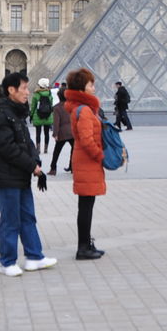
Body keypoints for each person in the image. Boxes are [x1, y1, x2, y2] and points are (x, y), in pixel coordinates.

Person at [0, 71, 56, 277]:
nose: (28, 92)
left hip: (20, 174)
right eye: (25, 88)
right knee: (10, 220)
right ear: (11, 90)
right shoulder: (0, 115)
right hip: (7, 176)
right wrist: (31, 166)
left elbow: (27, 142)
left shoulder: (17, 112)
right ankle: (6, 262)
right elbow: (7, 149)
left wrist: (35, 160)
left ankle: (34, 257)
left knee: (28, 217)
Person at [65, 68, 107, 260]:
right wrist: (101, 156)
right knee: (86, 206)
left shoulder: (81, 109)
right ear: (82, 88)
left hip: (85, 162)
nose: (94, 87)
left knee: (86, 205)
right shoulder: (84, 110)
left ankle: (86, 243)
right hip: (87, 162)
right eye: (90, 84)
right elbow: (87, 139)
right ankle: (83, 248)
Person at [49, 87, 73, 176]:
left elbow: (56, 122)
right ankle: (72, 167)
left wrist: (55, 133)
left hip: (62, 133)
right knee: (73, 150)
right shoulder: (72, 106)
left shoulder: (57, 108)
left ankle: (53, 168)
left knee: (57, 151)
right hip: (72, 132)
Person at [30, 78, 54, 153]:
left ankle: (38, 148)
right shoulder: (49, 94)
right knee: (46, 133)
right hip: (47, 115)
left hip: (38, 115)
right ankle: (46, 149)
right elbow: (51, 105)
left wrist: (31, 115)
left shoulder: (36, 94)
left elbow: (33, 106)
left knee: (38, 133)